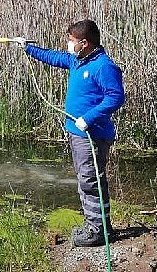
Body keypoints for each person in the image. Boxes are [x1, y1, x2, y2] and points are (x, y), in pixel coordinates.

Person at [13, 19, 126, 247]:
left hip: (92, 134)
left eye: (71, 41)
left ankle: (99, 231)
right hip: (77, 133)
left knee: (91, 180)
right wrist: (27, 47)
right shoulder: (77, 60)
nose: (68, 44)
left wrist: (89, 118)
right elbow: (54, 57)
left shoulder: (103, 66)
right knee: (85, 179)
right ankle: (96, 224)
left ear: (84, 43)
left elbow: (115, 97)